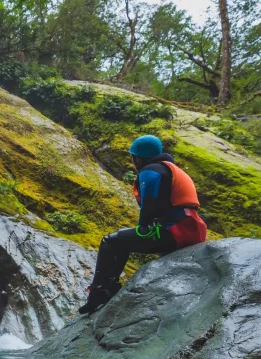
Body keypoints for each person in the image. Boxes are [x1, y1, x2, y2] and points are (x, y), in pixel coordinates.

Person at [77, 135, 207, 315]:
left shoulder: (151, 171)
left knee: (110, 241)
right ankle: (108, 286)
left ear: (138, 158)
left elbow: (150, 205)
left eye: (133, 157)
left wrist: (142, 227)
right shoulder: (169, 169)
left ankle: (99, 292)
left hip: (177, 230)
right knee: (123, 241)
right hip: (191, 229)